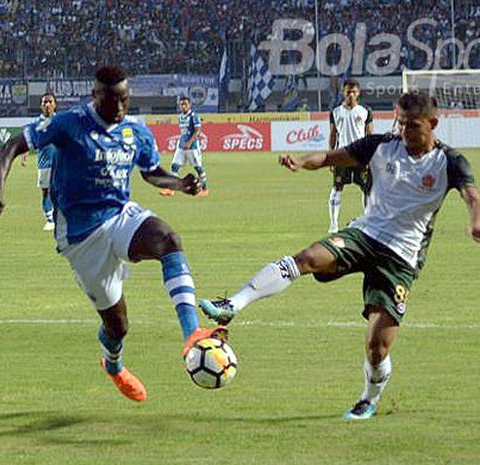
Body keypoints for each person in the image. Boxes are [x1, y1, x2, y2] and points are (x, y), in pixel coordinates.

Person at [200, 92, 479, 420]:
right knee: (307, 257)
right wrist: (302, 162)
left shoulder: (449, 161)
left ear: (433, 123)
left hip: (401, 258)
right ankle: (233, 304)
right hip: (364, 235)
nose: (404, 131)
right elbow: (331, 157)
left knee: (378, 347)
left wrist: (476, 219)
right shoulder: (380, 145)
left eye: (413, 126)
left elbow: (472, 195)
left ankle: (368, 398)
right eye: (401, 123)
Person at [0, 65, 226, 402]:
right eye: (112, 101)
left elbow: (151, 173)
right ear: (95, 97)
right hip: (82, 239)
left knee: (168, 239)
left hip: (120, 216)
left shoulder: (134, 131)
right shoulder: (68, 123)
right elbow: (12, 146)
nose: (119, 108)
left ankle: (192, 333)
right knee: (118, 326)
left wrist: (180, 184)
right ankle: (113, 366)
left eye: (124, 100)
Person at [328, 79, 373, 233]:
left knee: (367, 189)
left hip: (361, 156)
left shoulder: (365, 111)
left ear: (358, 93)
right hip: (342, 155)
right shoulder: (336, 112)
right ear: (343, 93)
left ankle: (368, 221)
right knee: (337, 188)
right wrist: (331, 156)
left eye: (354, 92)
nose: (351, 95)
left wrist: (371, 155)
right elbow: (333, 135)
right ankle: (333, 224)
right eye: (348, 92)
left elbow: (370, 134)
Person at [159, 96, 209, 197]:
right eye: (181, 104)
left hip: (192, 147)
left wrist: (190, 142)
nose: (183, 106)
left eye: (185, 104)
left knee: (198, 168)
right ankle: (171, 190)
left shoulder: (194, 116)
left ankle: (204, 189)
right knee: (174, 166)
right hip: (181, 146)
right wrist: (183, 142)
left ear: (189, 105)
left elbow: (197, 130)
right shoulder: (181, 117)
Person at [28, 93, 58, 231]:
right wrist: (25, 154)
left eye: (50, 102)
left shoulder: (61, 121)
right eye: (44, 102)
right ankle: (49, 219)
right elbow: (29, 141)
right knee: (46, 192)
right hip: (44, 163)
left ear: (55, 105)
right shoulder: (36, 124)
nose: (47, 105)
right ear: (41, 106)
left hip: (60, 163)